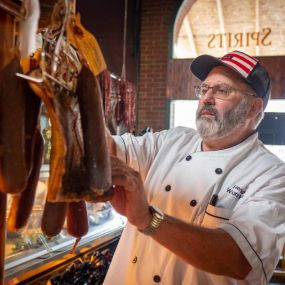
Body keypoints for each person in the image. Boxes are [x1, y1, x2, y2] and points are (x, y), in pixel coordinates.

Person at [103, 50, 285, 285]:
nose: (207, 98)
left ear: (253, 108)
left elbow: (239, 259)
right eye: (204, 88)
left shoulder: (272, 175)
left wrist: (148, 220)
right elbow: (105, 150)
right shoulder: (172, 141)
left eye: (222, 90)